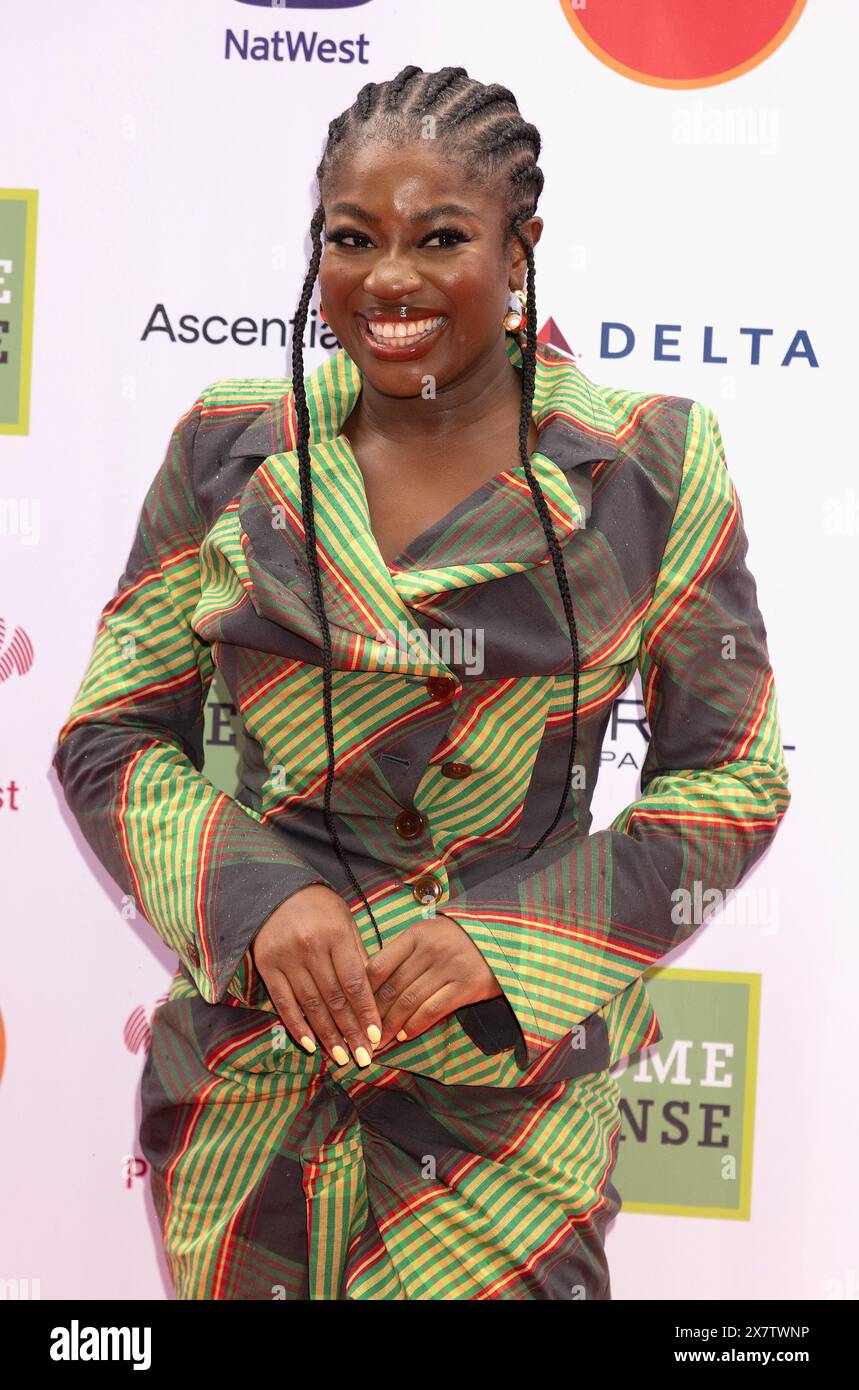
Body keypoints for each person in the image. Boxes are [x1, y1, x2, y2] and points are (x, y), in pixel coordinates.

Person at [51, 64, 791, 1300]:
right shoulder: (228, 445)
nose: (388, 278)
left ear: (520, 252)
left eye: (438, 237)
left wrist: (506, 943)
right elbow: (108, 737)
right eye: (352, 238)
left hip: (500, 1102)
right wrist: (259, 902)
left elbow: (733, 775)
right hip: (253, 1090)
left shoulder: (646, 464)